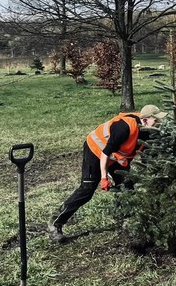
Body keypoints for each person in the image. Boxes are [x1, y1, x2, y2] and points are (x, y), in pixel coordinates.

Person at [48, 104, 168, 243]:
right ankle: (55, 223)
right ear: (146, 119)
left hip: (116, 156)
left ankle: (128, 221)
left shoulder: (148, 131)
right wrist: (104, 177)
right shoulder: (124, 127)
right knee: (87, 188)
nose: (159, 123)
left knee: (126, 185)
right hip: (96, 150)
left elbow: (147, 157)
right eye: (156, 120)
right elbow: (105, 153)